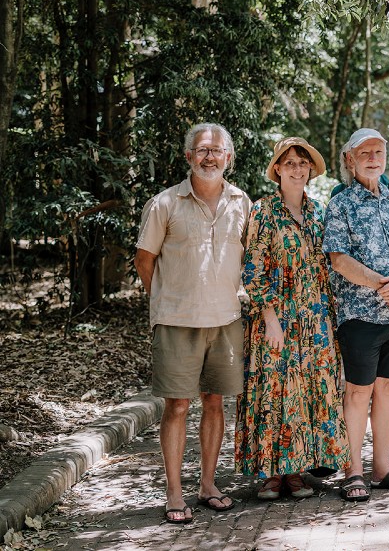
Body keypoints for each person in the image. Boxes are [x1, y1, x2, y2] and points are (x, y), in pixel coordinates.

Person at [135, 123, 250, 523]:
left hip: (226, 321)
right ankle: (173, 491)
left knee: (216, 403)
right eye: (202, 150)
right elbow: (144, 261)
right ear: (188, 157)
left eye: (217, 151)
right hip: (177, 321)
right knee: (178, 406)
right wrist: (169, 301)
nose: (209, 157)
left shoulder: (242, 202)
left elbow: (248, 259)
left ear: (229, 159)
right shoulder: (164, 204)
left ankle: (207, 484)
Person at [237, 137, 350, 500]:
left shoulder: (320, 211)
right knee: (274, 390)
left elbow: (329, 267)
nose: (297, 168)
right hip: (276, 316)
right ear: (277, 170)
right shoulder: (263, 211)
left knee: (308, 392)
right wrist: (270, 318)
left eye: (303, 162)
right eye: (289, 163)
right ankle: (272, 474)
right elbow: (252, 269)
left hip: (315, 317)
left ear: (311, 170)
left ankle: (298, 470)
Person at [323, 128, 389, 501]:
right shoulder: (341, 204)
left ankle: (382, 467)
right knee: (358, 392)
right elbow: (338, 259)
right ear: (350, 159)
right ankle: (354, 470)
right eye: (364, 152)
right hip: (360, 315)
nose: (372, 157)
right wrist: (384, 283)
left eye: (378, 151)